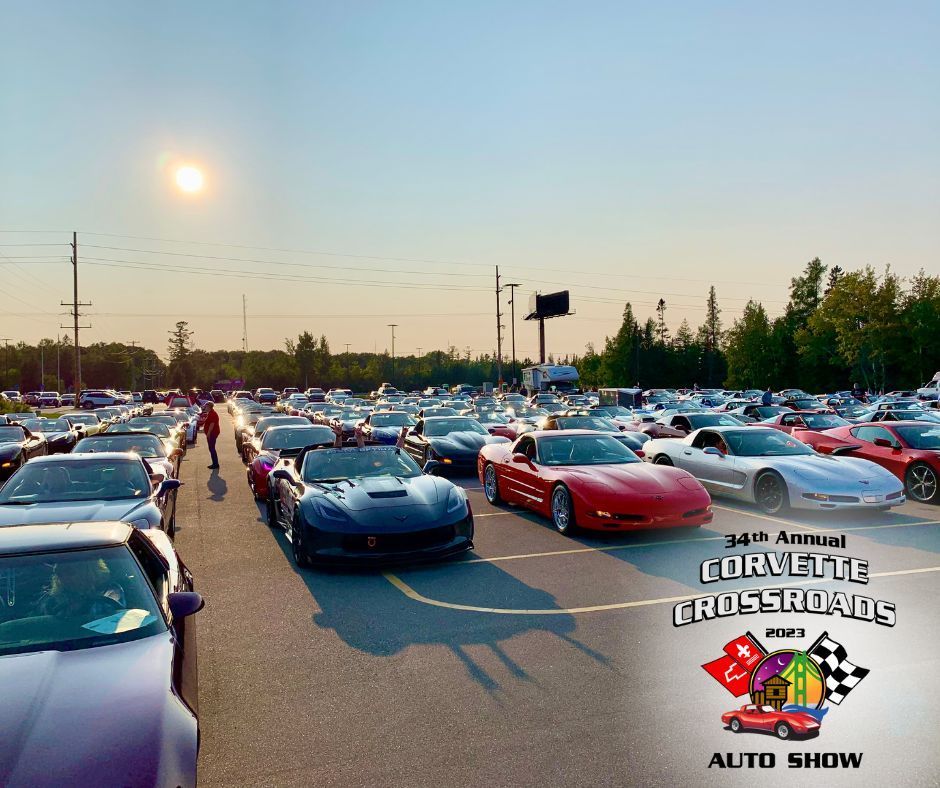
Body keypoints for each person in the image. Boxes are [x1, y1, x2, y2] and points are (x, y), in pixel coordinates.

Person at [203, 401, 220, 469]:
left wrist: (208, 433)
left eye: (206, 406)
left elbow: (212, 424)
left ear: (209, 407)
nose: (205, 407)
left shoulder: (213, 414)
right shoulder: (210, 413)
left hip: (212, 433)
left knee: (212, 448)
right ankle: (215, 463)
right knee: (211, 448)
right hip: (211, 433)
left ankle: (215, 464)